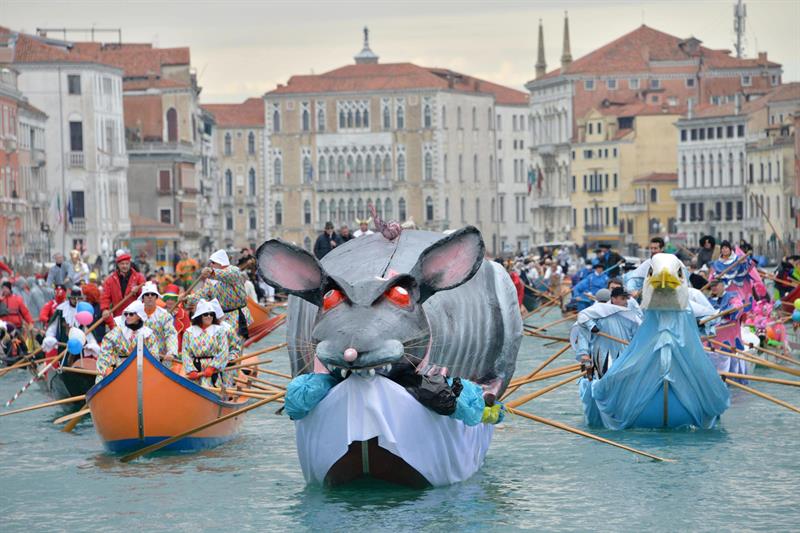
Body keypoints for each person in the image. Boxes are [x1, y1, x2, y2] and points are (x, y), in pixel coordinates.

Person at [571, 286, 642, 379]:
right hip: (603, 354)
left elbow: (638, 335)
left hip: (625, 354)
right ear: (613, 299)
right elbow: (582, 320)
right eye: (623, 299)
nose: (626, 302)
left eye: (627, 299)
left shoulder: (631, 315)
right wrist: (591, 326)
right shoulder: (599, 311)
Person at [186, 249, 252, 344]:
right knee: (223, 344)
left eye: (213, 262)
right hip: (221, 317)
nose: (211, 265)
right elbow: (202, 294)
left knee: (235, 345)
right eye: (210, 263)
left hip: (237, 315)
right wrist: (187, 299)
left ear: (220, 263)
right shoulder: (210, 280)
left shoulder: (234, 271)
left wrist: (211, 272)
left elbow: (225, 275)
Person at [96, 301, 159, 382]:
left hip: (142, 376)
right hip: (119, 375)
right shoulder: (115, 333)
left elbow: (154, 358)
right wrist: (101, 379)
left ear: (139, 316)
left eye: (131, 314)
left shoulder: (149, 335)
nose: (128, 316)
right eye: (126, 314)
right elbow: (104, 357)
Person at [182, 299, 229, 388]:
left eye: (211, 314)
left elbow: (224, 351)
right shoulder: (189, 332)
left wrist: (212, 367)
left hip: (213, 371)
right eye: (206, 314)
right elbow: (185, 353)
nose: (209, 316)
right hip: (195, 372)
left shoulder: (219, 331)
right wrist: (191, 370)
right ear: (199, 316)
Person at [101, 250, 146, 326]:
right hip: (118, 317)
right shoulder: (110, 280)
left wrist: (138, 290)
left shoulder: (139, 278)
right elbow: (105, 297)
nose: (124, 266)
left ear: (130, 264)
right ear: (118, 265)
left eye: (127, 264)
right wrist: (105, 309)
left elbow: (146, 295)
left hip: (135, 317)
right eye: (122, 264)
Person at [139, 282, 178, 363]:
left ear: (156, 297)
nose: (150, 296)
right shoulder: (135, 315)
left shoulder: (164, 315)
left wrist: (171, 352)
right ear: (143, 298)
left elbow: (171, 334)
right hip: (140, 358)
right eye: (147, 294)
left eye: (152, 294)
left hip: (161, 360)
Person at [162, 283, 191, 352]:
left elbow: (187, 336)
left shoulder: (183, 314)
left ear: (176, 300)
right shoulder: (160, 313)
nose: (170, 301)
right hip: (162, 351)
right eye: (168, 299)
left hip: (178, 351)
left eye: (172, 299)